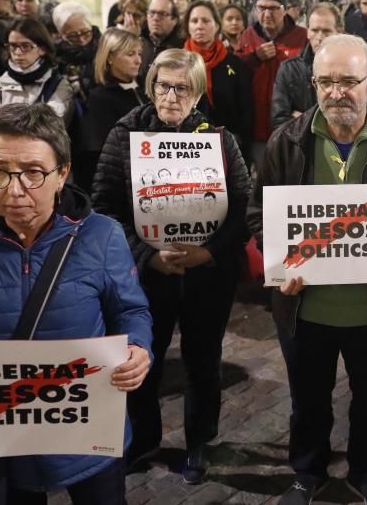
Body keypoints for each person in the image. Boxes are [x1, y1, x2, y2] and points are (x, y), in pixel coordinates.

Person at [0, 102, 152, 505]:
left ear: (62, 173)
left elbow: (131, 309)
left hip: (88, 433)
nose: (15, 190)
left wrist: (139, 347)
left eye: (33, 172)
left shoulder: (102, 236)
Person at [248, 34, 367, 505]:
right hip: (304, 307)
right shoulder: (285, 141)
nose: (337, 92)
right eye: (326, 81)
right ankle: (307, 473)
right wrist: (278, 261)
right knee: (307, 402)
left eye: (348, 81)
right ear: (312, 84)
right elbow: (258, 212)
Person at [92, 48, 251, 485]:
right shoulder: (123, 134)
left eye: (183, 88)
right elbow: (104, 208)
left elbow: (242, 206)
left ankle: (199, 440)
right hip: (145, 276)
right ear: (151, 86)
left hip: (206, 275)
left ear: (198, 93)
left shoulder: (220, 139)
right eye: (164, 85)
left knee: (204, 360)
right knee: (145, 358)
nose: (171, 96)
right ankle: (142, 440)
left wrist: (210, 251)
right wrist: (148, 257)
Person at [235, 0, 307, 171]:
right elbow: (236, 74)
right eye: (261, 8)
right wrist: (254, 58)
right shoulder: (248, 36)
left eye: (274, 8)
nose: (267, 14)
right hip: (257, 126)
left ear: (285, 10)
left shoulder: (302, 37)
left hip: (292, 124)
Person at [183, 0, 253, 164]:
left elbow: (246, 110)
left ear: (216, 25)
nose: (200, 26)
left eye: (206, 21)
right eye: (194, 21)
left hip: (228, 148)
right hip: (187, 149)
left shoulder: (235, 64)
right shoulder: (177, 64)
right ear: (187, 26)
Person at [0, 17, 73, 137]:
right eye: (13, 46)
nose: (17, 52)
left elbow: (49, 129)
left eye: (25, 46)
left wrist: (4, 125)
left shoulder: (57, 84)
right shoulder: (1, 84)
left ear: (42, 49)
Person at [78, 28, 146, 192]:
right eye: (130, 54)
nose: (138, 60)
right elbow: (100, 151)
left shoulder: (147, 89)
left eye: (139, 54)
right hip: (122, 182)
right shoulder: (99, 98)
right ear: (109, 58)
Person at [271, 2, 342, 128]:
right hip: (300, 146)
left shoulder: (352, 69)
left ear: (339, 32)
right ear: (308, 32)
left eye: (326, 31)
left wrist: (305, 120)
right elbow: (278, 121)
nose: (320, 37)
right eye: (315, 30)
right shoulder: (288, 69)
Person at [52, 1, 101, 105]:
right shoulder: (55, 57)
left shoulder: (105, 47)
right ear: (61, 35)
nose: (82, 40)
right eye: (73, 36)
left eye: (85, 32)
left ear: (90, 25)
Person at [140, 0, 182, 75]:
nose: (155, 18)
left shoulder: (182, 49)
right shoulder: (140, 43)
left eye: (162, 14)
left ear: (175, 20)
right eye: (151, 13)